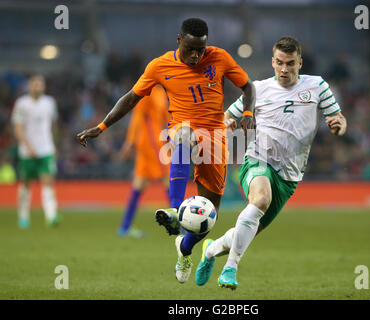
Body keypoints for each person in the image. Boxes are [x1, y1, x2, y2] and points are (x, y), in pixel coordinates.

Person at [76, 18, 255, 283]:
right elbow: (130, 98)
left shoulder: (219, 58)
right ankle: (174, 210)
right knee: (183, 133)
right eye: (191, 49)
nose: (196, 55)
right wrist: (101, 126)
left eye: (200, 49)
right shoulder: (159, 66)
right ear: (179, 40)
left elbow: (248, 87)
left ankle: (185, 249)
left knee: (209, 216)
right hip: (182, 130)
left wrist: (248, 112)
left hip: (216, 139)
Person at [194, 36, 347, 290]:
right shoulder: (256, 89)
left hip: (289, 175)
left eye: (290, 63)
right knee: (260, 199)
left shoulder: (317, 86)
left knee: (246, 231)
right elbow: (225, 118)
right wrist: (225, 126)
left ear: (300, 62)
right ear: (272, 61)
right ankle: (230, 268)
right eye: (279, 63)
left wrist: (339, 125)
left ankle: (211, 250)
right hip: (258, 158)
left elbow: (338, 118)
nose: (284, 69)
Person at [117, 84, 170, 238]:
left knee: (139, 184)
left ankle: (125, 227)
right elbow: (138, 117)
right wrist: (129, 143)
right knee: (169, 181)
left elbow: (164, 115)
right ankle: (184, 226)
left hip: (150, 145)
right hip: (151, 146)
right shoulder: (149, 92)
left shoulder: (159, 92)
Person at [11, 75, 59, 229]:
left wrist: (54, 144)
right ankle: (23, 216)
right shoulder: (22, 103)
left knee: (48, 181)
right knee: (26, 183)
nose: (37, 86)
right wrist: (27, 145)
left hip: (46, 149)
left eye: (40, 84)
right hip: (27, 150)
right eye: (34, 84)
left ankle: (51, 216)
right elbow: (18, 128)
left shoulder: (50, 103)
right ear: (29, 86)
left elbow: (53, 125)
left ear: (43, 86)